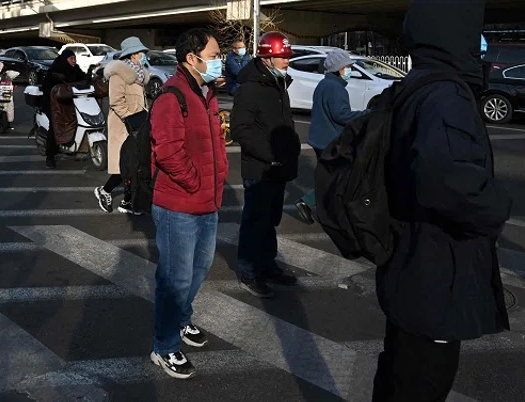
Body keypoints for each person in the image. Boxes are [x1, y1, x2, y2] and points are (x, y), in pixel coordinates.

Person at [372, 0, 511, 402]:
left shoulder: (415, 86)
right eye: (475, 34)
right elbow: (446, 180)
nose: (480, 44)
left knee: (398, 375)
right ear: (455, 36)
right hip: (436, 273)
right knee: (421, 383)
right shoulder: (446, 96)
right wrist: (497, 208)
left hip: (409, 262)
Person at [149, 28, 229, 380]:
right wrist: (196, 183)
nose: (218, 61)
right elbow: (167, 151)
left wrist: (215, 184)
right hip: (178, 205)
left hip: (207, 203)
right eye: (213, 56)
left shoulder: (205, 93)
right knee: (175, 279)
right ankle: (164, 346)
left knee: (199, 270)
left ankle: (181, 320)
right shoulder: (173, 96)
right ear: (191, 59)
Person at [230, 30, 301, 299]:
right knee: (255, 220)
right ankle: (248, 270)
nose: (287, 61)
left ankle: (267, 265)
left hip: (278, 167)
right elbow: (241, 129)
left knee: (270, 220)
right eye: (282, 57)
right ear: (267, 58)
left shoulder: (278, 85)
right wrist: (270, 155)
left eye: (287, 56)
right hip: (260, 168)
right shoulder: (251, 88)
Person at [295, 49, 367, 225]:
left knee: (330, 176)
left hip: (320, 139)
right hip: (331, 140)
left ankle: (319, 207)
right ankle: (312, 204)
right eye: (347, 67)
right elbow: (341, 115)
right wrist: (366, 115)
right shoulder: (336, 88)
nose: (350, 70)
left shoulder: (324, 84)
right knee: (339, 177)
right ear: (338, 69)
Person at [94, 36, 150, 215]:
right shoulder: (119, 74)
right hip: (123, 126)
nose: (143, 56)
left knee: (135, 164)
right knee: (124, 165)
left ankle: (127, 201)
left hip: (138, 125)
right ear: (132, 55)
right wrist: (131, 119)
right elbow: (116, 102)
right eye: (141, 53)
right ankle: (105, 191)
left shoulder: (139, 74)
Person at [42, 48, 87, 168]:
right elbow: (47, 87)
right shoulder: (55, 70)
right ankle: (50, 156)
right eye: (71, 58)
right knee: (55, 125)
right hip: (53, 103)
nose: (74, 61)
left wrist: (90, 79)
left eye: (75, 58)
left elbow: (83, 78)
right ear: (65, 59)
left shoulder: (75, 69)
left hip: (71, 102)